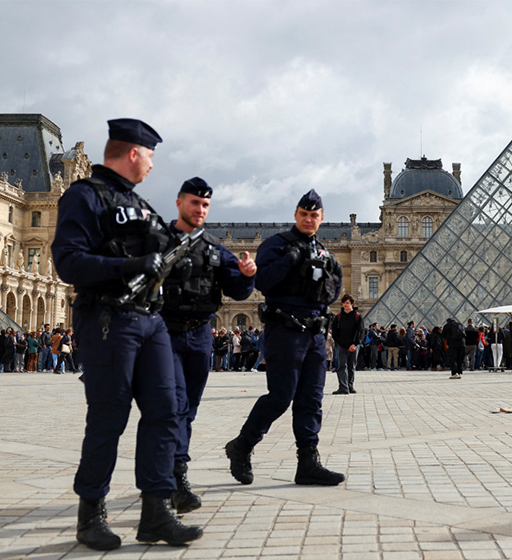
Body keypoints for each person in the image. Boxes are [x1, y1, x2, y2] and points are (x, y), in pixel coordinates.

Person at [51, 118, 202, 550]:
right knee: (109, 416)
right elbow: (68, 262)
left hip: (150, 321)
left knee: (166, 412)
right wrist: (129, 266)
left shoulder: (138, 203)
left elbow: (161, 253)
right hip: (107, 318)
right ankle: (91, 513)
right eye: (150, 156)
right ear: (133, 153)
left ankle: (156, 511)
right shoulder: (85, 196)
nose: (153, 165)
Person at [225, 189, 344, 487]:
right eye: (304, 214)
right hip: (285, 331)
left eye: (314, 215)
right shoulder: (276, 245)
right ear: (296, 215)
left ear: (322, 218)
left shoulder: (324, 254)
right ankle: (242, 445)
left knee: (311, 399)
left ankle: (308, 462)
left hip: (315, 334)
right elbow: (262, 282)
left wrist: (330, 269)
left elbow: (333, 293)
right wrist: (291, 259)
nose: (308, 219)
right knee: (280, 396)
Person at [160, 177, 256, 514]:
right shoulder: (158, 241)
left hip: (201, 334)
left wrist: (247, 274)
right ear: (179, 203)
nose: (200, 209)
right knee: (172, 406)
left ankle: (170, 474)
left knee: (188, 408)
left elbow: (238, 291)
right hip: (165, 332)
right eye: (194, 202)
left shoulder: (215, 248)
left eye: (205, 205)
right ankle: (174, 477)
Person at [330, 294, 362, 394]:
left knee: (351, 366)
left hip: (353, 345)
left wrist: (355, 344)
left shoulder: (358, 316)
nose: (345, 304)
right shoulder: (339, 316)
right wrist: (338, 342)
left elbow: (361, 331)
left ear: (352, 304)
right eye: (343, 303)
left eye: (347, 303)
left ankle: (350, 386)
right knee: (342, 366)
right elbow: (334, 331)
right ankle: (343, 387)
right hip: (342, 345)